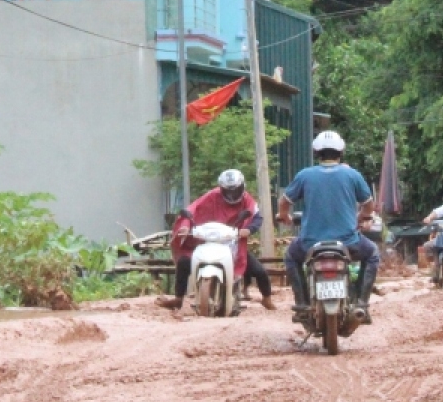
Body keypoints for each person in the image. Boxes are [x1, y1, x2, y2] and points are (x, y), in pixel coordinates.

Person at [277, 130, 379, 323]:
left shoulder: (304, 175)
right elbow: (369, 205)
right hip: (348, 243)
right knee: (372, 253)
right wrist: (362, 216)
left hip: (310, 244)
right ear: (341, 153)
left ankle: (301, 304)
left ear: (317, 153)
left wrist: (284, 216)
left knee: (291, 256)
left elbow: (284, 202)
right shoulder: (352, 175)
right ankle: (362, 303)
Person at [157, 169, 275, 311]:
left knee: (260, 271)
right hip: (208, 240)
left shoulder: (247, 200)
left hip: (232, 242)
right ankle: (178, 298)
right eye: (228, 191)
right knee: (183, 262)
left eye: (236, 190)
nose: (232, 195)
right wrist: (185, 226)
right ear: (221, 188)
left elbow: (257, 217)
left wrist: (248, 230)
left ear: (242, 187)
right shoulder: (212, 196)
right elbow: (193, 208)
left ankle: (267, 298)